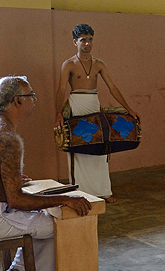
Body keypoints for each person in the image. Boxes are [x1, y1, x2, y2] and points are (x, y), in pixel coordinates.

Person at [0, 76, 92, 271]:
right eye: (32, 95)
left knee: (41, 216)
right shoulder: (7, 138)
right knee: (58, 224)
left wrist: (12, 179)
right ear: (18, 101)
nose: (35, 100)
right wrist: (65, 199)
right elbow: (17, 201)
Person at [55, 24, 139, 203]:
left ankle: (103, 192)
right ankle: (81, 193)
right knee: (79, 148)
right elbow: (61, 90)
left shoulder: (99, 64)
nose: (87, 43)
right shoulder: (68, 64)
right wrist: (58, 113)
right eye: (83, 40)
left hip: (94, 104)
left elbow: (113, 87)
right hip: (76, 105)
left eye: (90, 39)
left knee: (101, 148)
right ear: (75, 42)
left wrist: (128, 108)